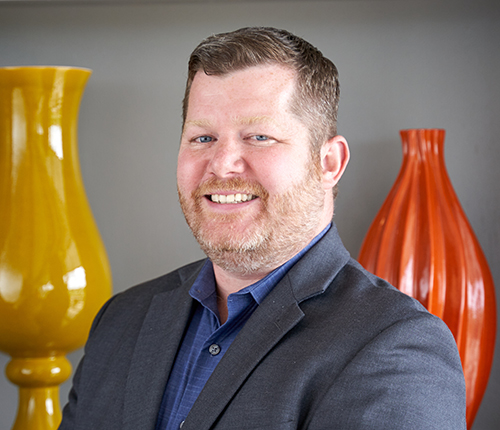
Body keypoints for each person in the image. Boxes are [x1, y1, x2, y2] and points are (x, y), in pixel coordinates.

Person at [59, 27, 466, 430]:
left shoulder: (395, 347)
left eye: (259, 136)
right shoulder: (121, 319)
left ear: (328, 163)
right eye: (203, 137)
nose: (222, 164)